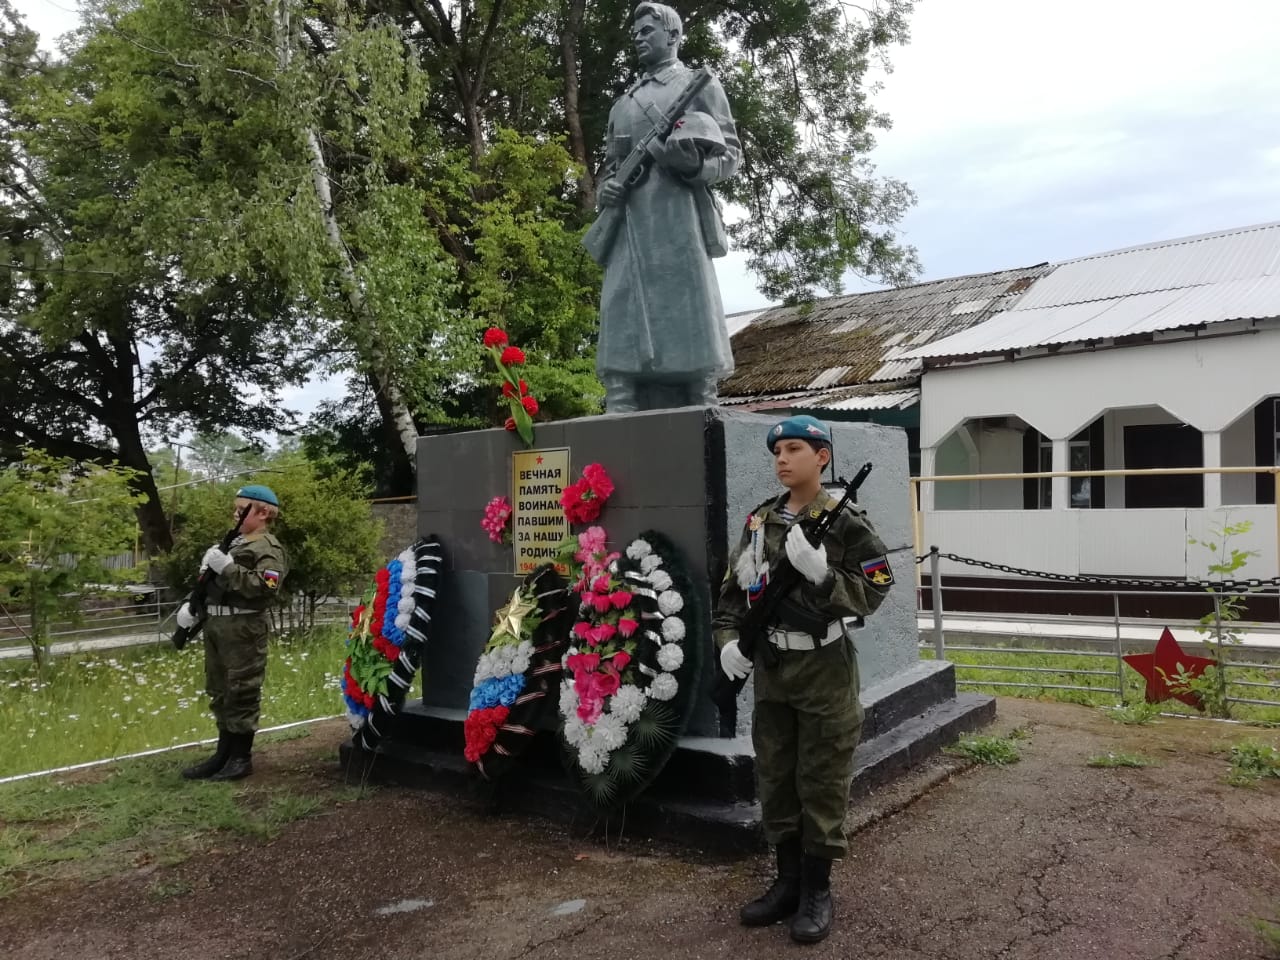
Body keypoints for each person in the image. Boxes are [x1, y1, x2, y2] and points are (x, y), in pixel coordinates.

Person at [712, 416, 893, 944]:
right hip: (771, 670)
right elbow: (730, 597)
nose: (783, 459)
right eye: (778, 451)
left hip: (825, 670)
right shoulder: (758, 522)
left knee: (822, 778)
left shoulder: (845, 522)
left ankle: (817, 888)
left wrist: (823, 576)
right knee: (776, 775)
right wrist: (728, 646)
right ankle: (786, 882)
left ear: (822, 458)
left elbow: (878, 587)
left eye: (796, 449)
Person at [592, 2, 740, 412]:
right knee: (620, 303)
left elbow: (730, 157)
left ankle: (701, 393)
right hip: (628, 224)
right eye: (636, 32)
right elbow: (607, 166)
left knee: (689, 302)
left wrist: (693, 164)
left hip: (679, 220)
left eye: (647, 31)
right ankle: (620, 394)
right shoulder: (623, 104)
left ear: (673, 36)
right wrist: (605, 190)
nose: (638, 38)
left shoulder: (699, 86)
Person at [176, 484, 289, 781]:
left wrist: (227, 568)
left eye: (242, 510)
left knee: (242, 689)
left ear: (263, 513)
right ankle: (222, 754)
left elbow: (266, 589)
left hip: (244, 628)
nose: (235, 514)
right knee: (219, 690)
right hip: (217, 625)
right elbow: (213, 586)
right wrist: (193, 603)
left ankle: (240, 758)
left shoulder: (267, 547)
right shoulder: (235, 543)